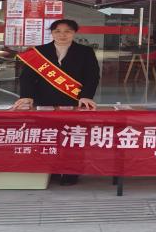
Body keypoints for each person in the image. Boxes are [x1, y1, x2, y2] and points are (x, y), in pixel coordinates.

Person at [13, 19, 100, 185]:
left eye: (67, 31)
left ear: (74, 33)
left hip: (74, 102)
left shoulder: (85, 52)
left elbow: (92, 76)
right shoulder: (39, 51)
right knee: (48, 136)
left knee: (72, 137)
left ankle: (71, 172)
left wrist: (87, 96)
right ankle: (50, 169)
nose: (62, 35)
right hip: (44, 101)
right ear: (52, 33)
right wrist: (27, 96)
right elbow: (27, 78)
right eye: (57, 31)